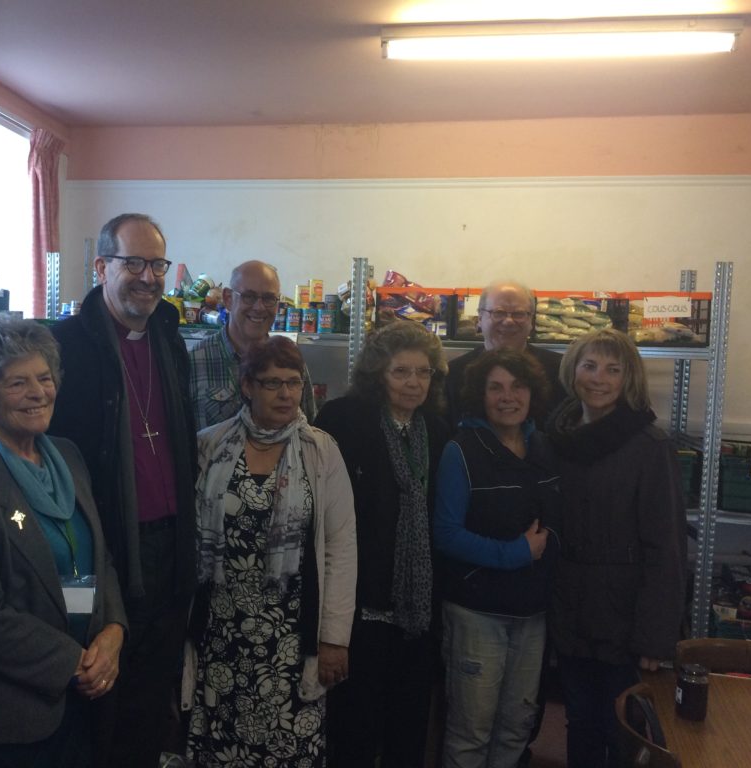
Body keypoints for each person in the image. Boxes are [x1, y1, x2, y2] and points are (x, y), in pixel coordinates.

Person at [0, 313, 127, 767]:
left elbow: (99, 559)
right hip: (14, 717)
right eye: (17, 383)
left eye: (44, 378)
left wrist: (113, 631)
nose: (38, 393)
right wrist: (74, 663)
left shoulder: (68, 455)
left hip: (87, 696)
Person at [48, 213, 197, 766]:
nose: (148, 277)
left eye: (157, 264)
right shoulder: (63, 346)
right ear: (101, 267)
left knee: (150, 697)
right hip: (97, 554)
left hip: (169, 549)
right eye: (133, 262)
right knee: (95, 691)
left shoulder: (169, 342)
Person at [185, 335, 357, 767]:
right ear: (248, 386)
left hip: (292, 636)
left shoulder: (321, 450)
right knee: (221, 747)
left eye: (294, 382)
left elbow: (340, 548)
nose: (285, 394)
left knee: (289, 746)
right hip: (223, 631)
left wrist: (334, 638)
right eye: (272, 383)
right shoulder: (210, 444)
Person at [546, 328, 686, 768]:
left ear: (629, 379)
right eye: (589, 366)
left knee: (623, 728)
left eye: (613, 369)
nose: (599, 378)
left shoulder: (649, 446)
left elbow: (666, 547)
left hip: (624, 615)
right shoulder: (556, 440)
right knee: (579, 720)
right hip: (570, 607)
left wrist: (655, 637)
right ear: (572, 371)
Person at [313, 321, 450, 767]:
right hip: (359, 607)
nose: (414, 382)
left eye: (423, 372)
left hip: (416, 612)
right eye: (401, 372)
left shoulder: (437, 429)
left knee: (407, 730)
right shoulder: (343, 420)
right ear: (378, 374)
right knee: (354, 728)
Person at [433, 350, 561, 768]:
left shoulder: (543, 446)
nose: (508, 397)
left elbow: (558, 518)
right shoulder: (461, 450)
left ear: (532, 392)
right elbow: (446, 534)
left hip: (532, 613)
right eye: (496, 388)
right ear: (479, 395)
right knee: (471, 733)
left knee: (516, 728)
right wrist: (515, 553)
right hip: (477, 613)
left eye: (518, 386)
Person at [189, 260, 316, 429]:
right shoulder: (194, 361)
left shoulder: (290, 360)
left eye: (269, 298)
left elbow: (309, 427)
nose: (259, 307)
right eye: (249, 297)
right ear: (228, 299)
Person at [445, 280, 567, 431]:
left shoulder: (560, 371)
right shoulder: (453, 374)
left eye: (519, 314)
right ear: (480, 318)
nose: (508, 321)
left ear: (531, 320)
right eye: (498, 313)